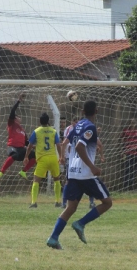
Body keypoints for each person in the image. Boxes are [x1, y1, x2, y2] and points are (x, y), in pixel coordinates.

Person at [47, 100, 113, 250]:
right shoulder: (90, 127)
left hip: (73, 172)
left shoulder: (77, 126)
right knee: (107, 202)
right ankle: (80, 223)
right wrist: (93, 166)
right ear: (97, 111)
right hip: (86, 174)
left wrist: (62, 157)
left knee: (71, 208)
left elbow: (65, 142)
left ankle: (53, 238)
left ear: (83, 112)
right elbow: (79, 146)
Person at [23, 112, 62, 208]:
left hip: (42, 159)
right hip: (53, 158)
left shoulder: (36, 131)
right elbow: (58, 145)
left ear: (40, 121)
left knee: (36, 180)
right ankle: (57, 201)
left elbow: (30, 146)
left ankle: (33, 202)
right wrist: (60, 156)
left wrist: (26, 156)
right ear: (48, 121)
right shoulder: (53, 131)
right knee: (57, 179)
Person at [0, 93, 36, 180]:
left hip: (22, 149)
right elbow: (12, 111)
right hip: (12, 147)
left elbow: (27, 142)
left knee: (35, 156)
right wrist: (18, 101)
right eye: (18, 116)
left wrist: (34, 146)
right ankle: (1, 172)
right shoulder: (11, 124)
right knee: (14, 155)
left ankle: (23, 171)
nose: (20, 117)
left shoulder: (22, 130)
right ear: (15, 119)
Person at [60, 117, 96, 209]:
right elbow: (98, 143)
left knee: (68, 182)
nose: (76, 123)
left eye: (77, 122)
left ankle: (64, 203)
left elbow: (64, 143)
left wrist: (62, 157)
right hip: (83, 162)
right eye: (75, 121)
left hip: (73, 163)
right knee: (90, 181)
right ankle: (92, 202)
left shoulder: (74, 131)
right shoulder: (86, 130)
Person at [122, 119, 137, 190]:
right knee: (128, 169)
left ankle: (131, 187)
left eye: (134, 122)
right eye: (131, 122)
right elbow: (122, 141)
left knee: (134, 170)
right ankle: (125, 187)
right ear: (129, 123)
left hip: (136, 153)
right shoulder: (126, 131)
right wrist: (123, 152)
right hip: (128, 153)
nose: (133, 124)